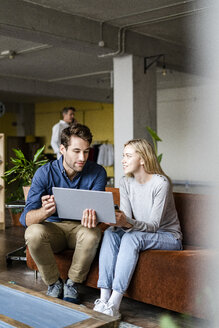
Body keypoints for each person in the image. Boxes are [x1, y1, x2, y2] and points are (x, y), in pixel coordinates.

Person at [93, 138, 182, 319]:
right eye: (122, 156)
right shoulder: (125, 182)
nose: (123, 160)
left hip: (168, 236)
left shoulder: (161, 183)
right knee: (110, 233)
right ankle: (103, 299)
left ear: (142, 159)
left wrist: (127, 222)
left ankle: (114, 304)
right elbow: (127, 216)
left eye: (128, 156)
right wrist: (116, 221)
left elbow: (154, 225)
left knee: (130, 238)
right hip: (140, 232)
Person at [20, 123, 107, 304]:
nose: (82, 157)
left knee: (93, 233)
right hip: (53, 229)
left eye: (86, 151)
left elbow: (98, 213)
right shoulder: (44, 173)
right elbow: (26, 219)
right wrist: (44, 211)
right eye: (76, 151)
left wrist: (95, 217)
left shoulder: (97, 172)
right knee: (33, 233)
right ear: (62, 149)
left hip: (80, 229)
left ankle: (72, 284)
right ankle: (54, 283)